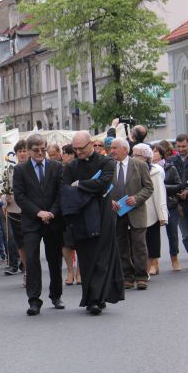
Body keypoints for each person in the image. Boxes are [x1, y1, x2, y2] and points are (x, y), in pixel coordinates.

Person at [61, 131, 124, 315]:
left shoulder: (106, 162)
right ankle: (91, 298)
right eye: (75, 149)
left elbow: (103, 184)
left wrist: (80, 184)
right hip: (82, 218)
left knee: (102, 257)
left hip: (103, 215)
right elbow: (65, 189)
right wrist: (88, 188)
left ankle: (98, 298)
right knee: (87, 258)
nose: (78, 152)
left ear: (91, 144)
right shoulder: (71, 166)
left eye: (81, 148)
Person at [13, 134, 64, 315]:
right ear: (28, 151)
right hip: (31, 221)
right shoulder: (20, 170)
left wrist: (52, 212)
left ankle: (56, 295)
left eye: (43, 149)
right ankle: (34, 300)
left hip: (53, 219)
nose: (41, 153)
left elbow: (61, 192)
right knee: (32, 260)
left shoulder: (56, 167)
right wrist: (38, 212)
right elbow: (20, 196)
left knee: (54, 259)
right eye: (36, 150)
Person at [110, 138, 153, 290]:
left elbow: (148, 188)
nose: (112, 150)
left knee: (139, 245)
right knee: (121, 245)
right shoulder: (109, 166)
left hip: (136, 211)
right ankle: (127, 276)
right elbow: (103, 188)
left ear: (124, 149)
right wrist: (110, 201)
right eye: (111, 148)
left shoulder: (140, 165)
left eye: (115, 148)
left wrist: (136, 198)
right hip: (117, 212)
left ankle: (141, 276)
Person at [132, 144, 167, 276]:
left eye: (137, 155)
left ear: (146, 157)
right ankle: (139, 270)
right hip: (135, 210)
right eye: (133, 154)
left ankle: (146, 270)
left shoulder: (155, 171)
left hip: (151, 211)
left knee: (152, 241)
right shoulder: (130, 169)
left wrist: (162, 214)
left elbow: (159, 193)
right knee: (136, 243)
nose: (133, 157)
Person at [154, 144, 183, 271]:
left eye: (155, 152)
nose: (153, 154)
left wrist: (162, 187)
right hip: (153, 205)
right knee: (153, 235)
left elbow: (178, 185)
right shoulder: (146, 168)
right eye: (151, 152)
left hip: (169, 204)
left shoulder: (170, 168)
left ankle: (174, 259)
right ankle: (154, 262)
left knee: (172, 233)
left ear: (161, 154)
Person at [4, 140, 28, 277]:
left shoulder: (32, 169)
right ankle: (23, 268)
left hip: (30, 211)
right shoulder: (9, 171)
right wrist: (5, 198)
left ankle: (29, 268)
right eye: (20, 151)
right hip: (14, 209)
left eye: (24, 151)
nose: (22, 154)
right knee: (18, 242)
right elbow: (4, 190)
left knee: (30, 241)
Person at [170, 134, 188, 269]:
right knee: (186, 234)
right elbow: (169, 180)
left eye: (184, 146)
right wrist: (177, 193)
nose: (181, 149)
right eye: (178, 147)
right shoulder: (171, 161)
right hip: (179, 203)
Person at [60, 144, 80, 285]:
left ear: (73, 154)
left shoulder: (80, 167)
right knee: (66, 243)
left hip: (80, 208)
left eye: (66, 153)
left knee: (80, 242)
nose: (63, 156)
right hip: (64, 209)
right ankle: (70, 271)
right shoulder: (59, 168)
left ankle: (79, 272)